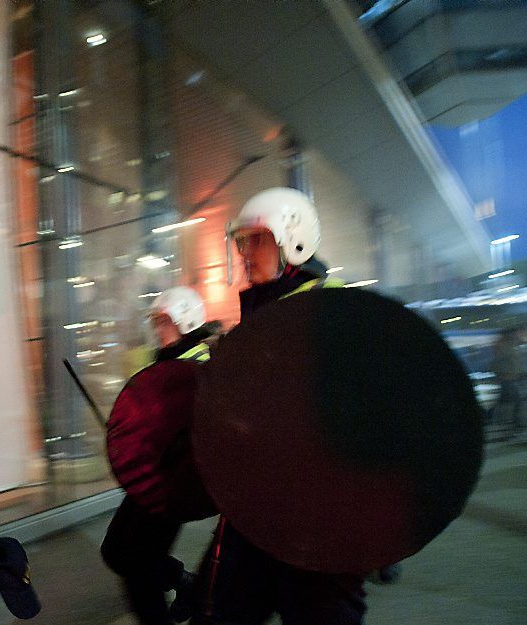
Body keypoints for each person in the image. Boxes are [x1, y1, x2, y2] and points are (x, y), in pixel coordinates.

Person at [190, 187, 367, 625]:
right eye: (242, 241)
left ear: (294, 240)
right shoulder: (258, 315)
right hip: (257, 510)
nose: (246, 252)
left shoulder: (328, 308)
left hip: (319, 517)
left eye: (258, 239)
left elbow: (351, 410)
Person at [101, 286, 212, 625]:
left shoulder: (200, 368)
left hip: (177, 482)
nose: (158, 330)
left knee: (137, 561)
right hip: (156, 477)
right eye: (157, 322)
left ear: (186, 322)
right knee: (117, 551)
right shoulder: (166, 365)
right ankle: (185, 584)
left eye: (165, 322)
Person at [488, 326, 527, 440]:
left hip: (511, 377)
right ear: (507, 334)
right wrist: (500, 374)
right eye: (513, 333)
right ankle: (517, 424)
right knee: (517, 401)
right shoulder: (502, 346)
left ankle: (487, 417)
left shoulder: (510, 345)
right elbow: (496, 363)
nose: (516, 335)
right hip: (506, 378)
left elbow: (515, 361)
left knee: (501, 401)